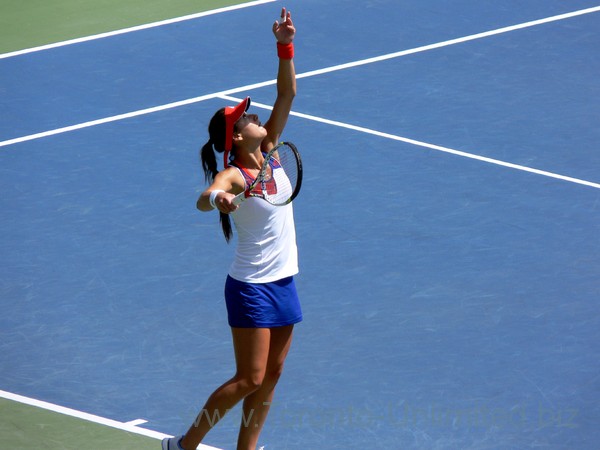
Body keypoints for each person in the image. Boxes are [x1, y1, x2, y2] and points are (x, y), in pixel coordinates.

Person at [162, 8, 301, 450]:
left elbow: (288, 92)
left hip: (284, 279)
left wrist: (285, 45)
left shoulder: (274, 152)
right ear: (238, 138)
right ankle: (185, 445)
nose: (255, 115)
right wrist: (217, 199)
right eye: (246, 117)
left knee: (273, 375)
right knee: (249, 378)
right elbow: (205, 198)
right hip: (251, 287)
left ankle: (248, 449)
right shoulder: (236, 176)